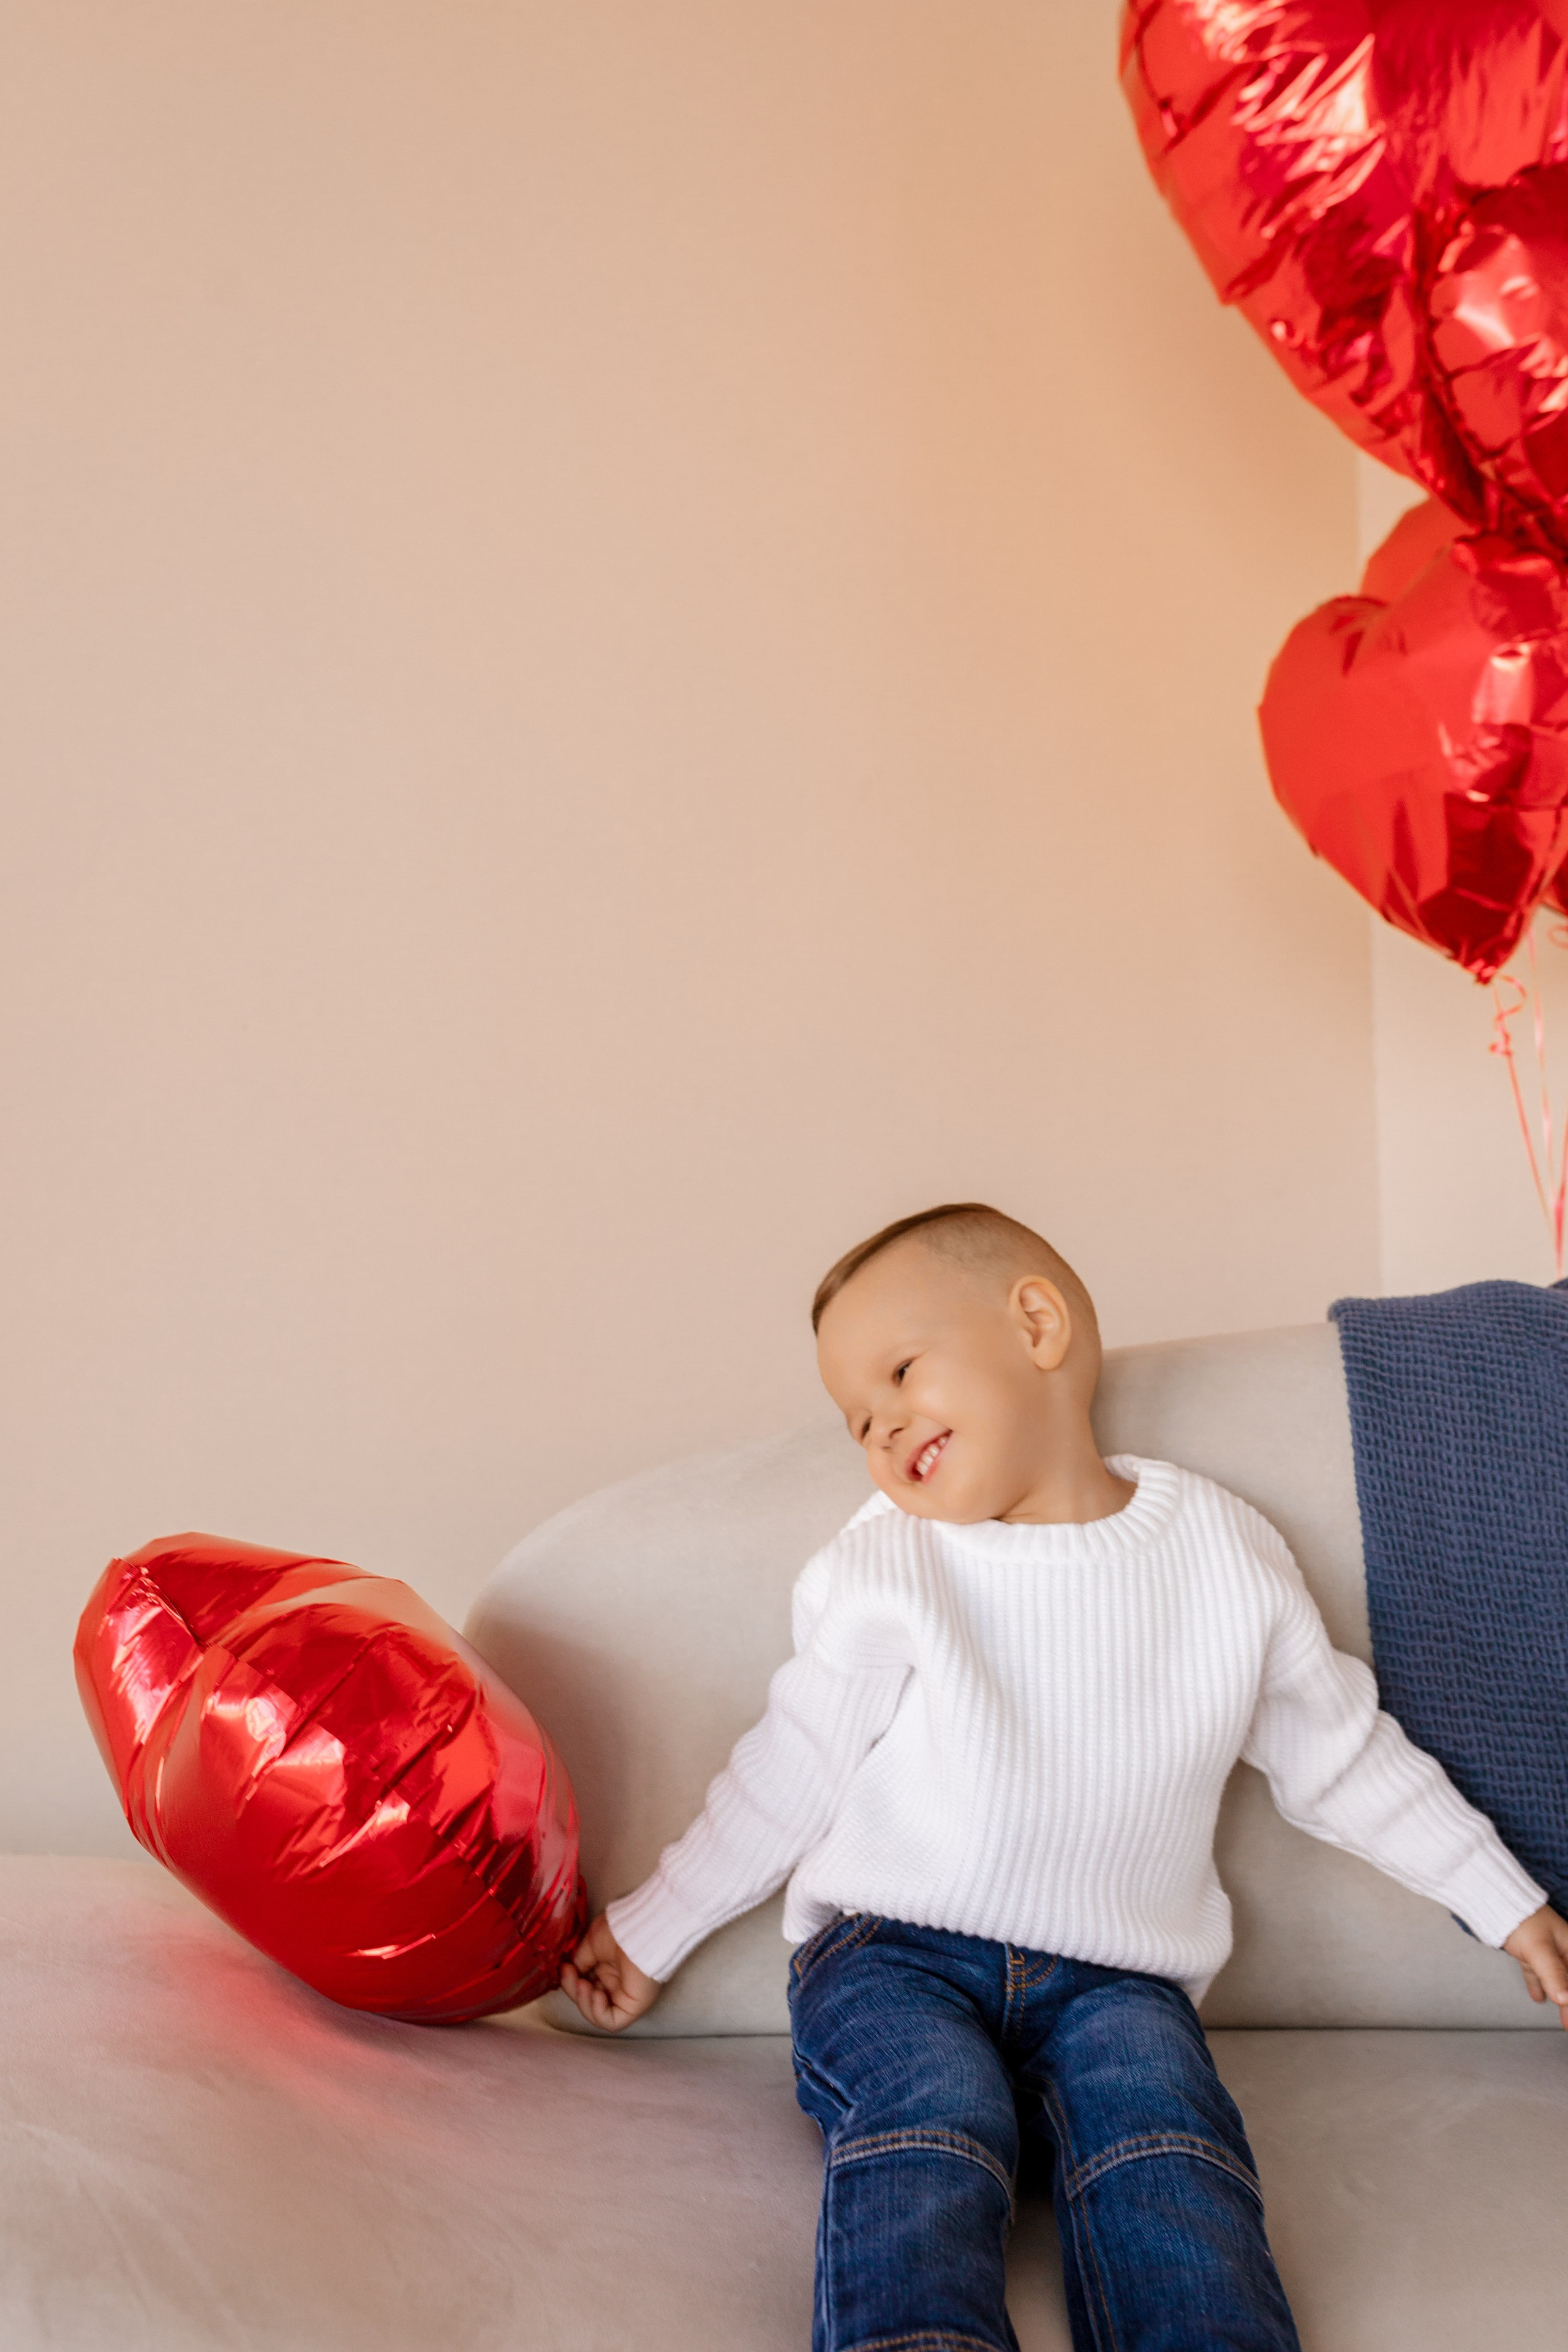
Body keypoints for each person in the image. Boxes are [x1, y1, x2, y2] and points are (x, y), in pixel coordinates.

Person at [560, 1202, 1568, 2351]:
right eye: (858, 1421)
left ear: (1035, 1323)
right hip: (895, 1954)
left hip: (1118, 1981)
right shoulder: (885, 1564)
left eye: (899, 1373)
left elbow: (1342, 1752)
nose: (883, 1429)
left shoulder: (1223, 1553)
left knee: (1167, 2143)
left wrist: (1504, 1897)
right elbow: (789, 1770)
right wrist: (649, 1931)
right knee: (933, 2119)